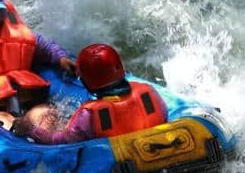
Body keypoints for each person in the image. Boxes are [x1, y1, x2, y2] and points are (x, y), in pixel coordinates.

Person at [13, 43, 167, 144]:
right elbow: (164, 115)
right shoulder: (148, 92)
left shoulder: (89, 115)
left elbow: (62, 141)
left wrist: (32, 130)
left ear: (87, 81)